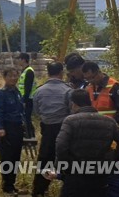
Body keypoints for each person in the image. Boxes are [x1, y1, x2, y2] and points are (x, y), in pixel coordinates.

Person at [55, 89, 119, 197]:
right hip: (100, 174)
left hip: (75, 173)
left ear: (73, 104)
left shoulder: (70, 121)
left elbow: (61, 146)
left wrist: (65, 167)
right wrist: (112, 160)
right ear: (89, 101)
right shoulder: (109, 121)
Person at [31, 62, 72, 197]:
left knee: (45, 159)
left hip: (47, 129)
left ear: (48, 73)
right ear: (61, 72)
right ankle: (70, 189)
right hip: (64, 129)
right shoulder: (68, 90)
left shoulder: (39, 91)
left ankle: (39, 190)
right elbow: (72, 110)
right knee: (68, 159)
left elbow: (36, 111)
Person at [0, 66, 24, 195]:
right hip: (7, 127)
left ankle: (12, 183)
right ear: (4, 77)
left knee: (16, 156)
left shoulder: (17, 91)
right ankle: (7, 185)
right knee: (7, 156)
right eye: (10, 76)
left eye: (15, 75)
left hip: (18, 127)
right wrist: (0, 128)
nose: (13, 78)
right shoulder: (1, 93)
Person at [17, 52, 37, 139]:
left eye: (19, 59)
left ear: (23, 59)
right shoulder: (25, 70)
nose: (18, 61)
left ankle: (30, 135)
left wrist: (24, 100)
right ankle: (30, 133)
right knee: (25, 117)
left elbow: (28, 88)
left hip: (28, 99)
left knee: (27, 117)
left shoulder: (29, 71)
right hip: (24, 98)